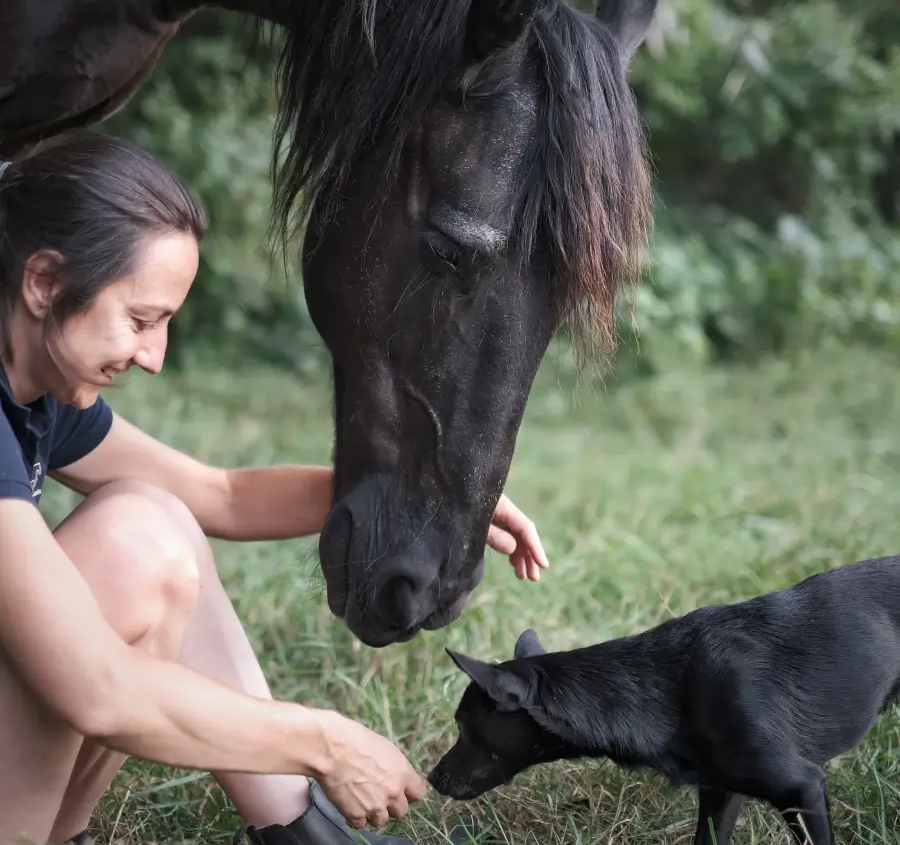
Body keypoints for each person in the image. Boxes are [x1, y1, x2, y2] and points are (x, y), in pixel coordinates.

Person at [0, 132, 549, 845]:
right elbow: (98, 688)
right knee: (135, 544)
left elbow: (219, 495)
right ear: (43, 282)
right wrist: (321, 742)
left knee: (154, 516)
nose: (153, 358)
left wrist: (429, 494)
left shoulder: (38, 388)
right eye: (140, 321)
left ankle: (295, 832)